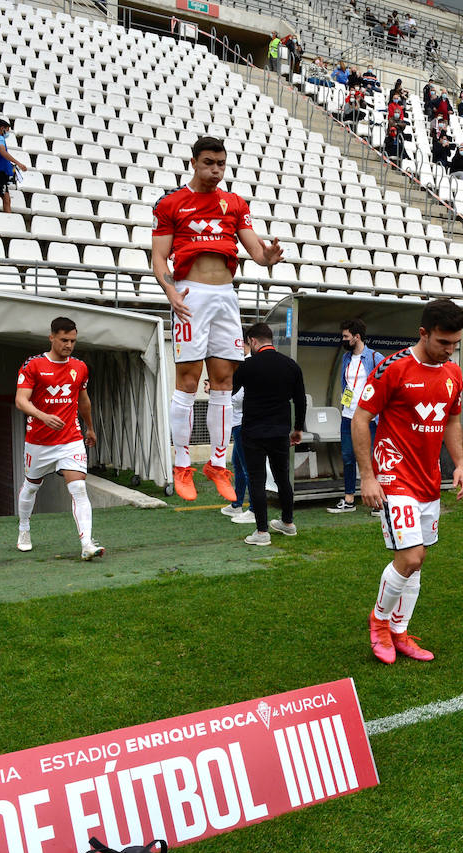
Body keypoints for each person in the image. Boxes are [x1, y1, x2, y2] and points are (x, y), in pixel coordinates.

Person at [152, 137, 283, 503]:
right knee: (189, 380)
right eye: (209, 163)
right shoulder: (171, 203)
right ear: (193, 162)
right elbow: (159, 258)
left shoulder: (234, 204)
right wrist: (171, 292)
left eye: (221, 164)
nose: (216, 170)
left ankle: (217, 463)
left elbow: (255, 250)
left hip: (227, 296)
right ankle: (182, 465)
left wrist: (267, 257)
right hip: (191, 294)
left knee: (225, 381)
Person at [353, 299, 463, 664]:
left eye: (454, 344)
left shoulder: (453, 373)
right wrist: (368, 477)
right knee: (411, 556)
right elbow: (360, 418)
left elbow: (451, 420)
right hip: (394, 476)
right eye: (442, 343)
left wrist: (460, 465)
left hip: (428, 480)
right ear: (423, 333)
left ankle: (400, 632)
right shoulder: (394, 368)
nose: (449, 351)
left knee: (418, 561)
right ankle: (379, 623)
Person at [14, 317, 102, 559]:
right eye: (64, 340)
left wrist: (90, 427)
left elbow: (83, 400)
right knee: (32, 486)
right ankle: (24, 529)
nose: (69, 345)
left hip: (70, 439)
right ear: (51, 337)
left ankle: (87, 544)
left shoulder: (80, 367)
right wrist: (43, 416)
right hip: (39, 441)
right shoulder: (33, 365)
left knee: (79, 487)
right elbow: (21, 400)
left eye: (73, 340)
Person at [232, 323, 306, 546]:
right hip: (280, 431)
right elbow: (300, 400)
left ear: (253, 341)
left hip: (253, 431)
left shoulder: (247, 366)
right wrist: (298, 428)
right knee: (283, 477)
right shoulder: (291, 365)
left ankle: (262, 532)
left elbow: (232, 391)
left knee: (257, 479)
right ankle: (288, 522)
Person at [330, 319, 383, 514]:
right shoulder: (346, 358)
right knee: (347, 456)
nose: (343, 339)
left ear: (356, 337)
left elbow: (384, 384)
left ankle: (378, 499)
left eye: (346, 336)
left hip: (368, 417)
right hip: (347, 415)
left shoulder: (375, 357)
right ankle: (349, 499)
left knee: (371, 457)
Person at [222, 341, 254, 525]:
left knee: (247, 466)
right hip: (237, 421)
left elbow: (241, 396)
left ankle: (252, 509)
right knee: (238, 463)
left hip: (244, 421)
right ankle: (237, 503)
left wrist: (224, 395)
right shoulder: (238, 362)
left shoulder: (248, 364)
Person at [0, 119, 28, 214]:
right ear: (2, 128)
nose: (7, 133)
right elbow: (2, 151)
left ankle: (8, 220)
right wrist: (18, 163)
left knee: (7, 199)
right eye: (7, 130)